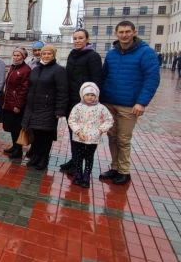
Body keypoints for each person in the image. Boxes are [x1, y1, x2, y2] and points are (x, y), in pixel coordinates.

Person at [100, 20, 160, 185]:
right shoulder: (112, 54)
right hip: (109, 102)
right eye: (121, 32)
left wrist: (142, 102)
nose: (124, 35)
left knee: (123, 139)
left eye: (128, 31)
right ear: (116, 34)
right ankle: (114, 167)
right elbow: (104, 76)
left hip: (129, 105)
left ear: (134, 32)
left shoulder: (146, 53)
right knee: (112, 137)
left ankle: (124, 171)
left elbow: (152, 79)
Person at [59, 29, 103, 173]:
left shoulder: (93, 56)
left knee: (82, 134)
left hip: (85, 103)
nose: (77, 40)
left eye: (80, 38)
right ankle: (75, 160)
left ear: (87, 39)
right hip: (71, 101)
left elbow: (96, 81)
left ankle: (78, 164)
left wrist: (90, 101)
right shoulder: (72, 54)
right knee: (74, 132)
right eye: (75, 38)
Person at [21, 45, 68, 170]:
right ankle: (35, 157)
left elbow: (62, 91)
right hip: (33, 108)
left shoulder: (59, 70)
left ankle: (44, 159)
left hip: (49, 108)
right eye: (44, 54)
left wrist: (60, 110)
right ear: (40, 55)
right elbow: (30, 88)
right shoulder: (36, 69)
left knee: (46, 136)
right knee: (35, 134)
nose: (46, 56)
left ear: (53, 55)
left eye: (49, 54)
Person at [67, 82, 114, 188]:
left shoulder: (101, 108)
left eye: (93, 95)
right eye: (87, 94)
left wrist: (100, 130)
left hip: (93, 139)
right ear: (82, 95)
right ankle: (78, 174)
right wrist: (78, 131)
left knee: (89, 157)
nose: (90, 97)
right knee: (78, 157)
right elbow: (72, 120)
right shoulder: (78, 107)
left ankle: (86, 176)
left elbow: (109, 120)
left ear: (96, 96)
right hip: (79, 137)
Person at [1, 47, 31, 158]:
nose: (16, 57)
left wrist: (18, 105)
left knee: (17, 128)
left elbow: (24, 89)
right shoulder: (13, 67)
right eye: (14, 55)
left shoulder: (25, 69)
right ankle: (14, 146)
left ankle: (18, 150)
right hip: (8, 102)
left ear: (23, 57)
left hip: (16, 104)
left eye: (18, 55)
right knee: (12, 127)